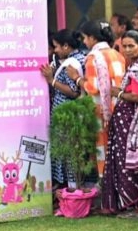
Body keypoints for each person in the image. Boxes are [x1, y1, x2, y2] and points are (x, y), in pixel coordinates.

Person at [67, 21, 126, 178]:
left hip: (100, 110)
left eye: (85, 38)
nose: (85, 42)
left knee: (102, 151)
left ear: (93, 38)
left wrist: (76, 78)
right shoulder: (118, 55)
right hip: (119, 106)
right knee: (117, 149)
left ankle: (105, 187)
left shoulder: (93, 57)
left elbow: (93, 87)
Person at [102, 30, 138, 215]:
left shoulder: (137, 68)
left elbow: (137, 96)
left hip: (129, 120)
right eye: (125, 46)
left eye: (132, 46)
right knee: (126, 160)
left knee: (126, 161)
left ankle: (130, 203)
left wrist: (118, 93)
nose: (128, 50)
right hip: (127, 119)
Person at [41, 29, 86, 188]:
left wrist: (51, 80)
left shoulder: (71, 64)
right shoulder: (81, 57)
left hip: (67, 112)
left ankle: (70, 188)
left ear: (66, 46)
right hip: (73, 112)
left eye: (57, 47)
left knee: (67, 152)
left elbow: (74, 92)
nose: (56, 50)